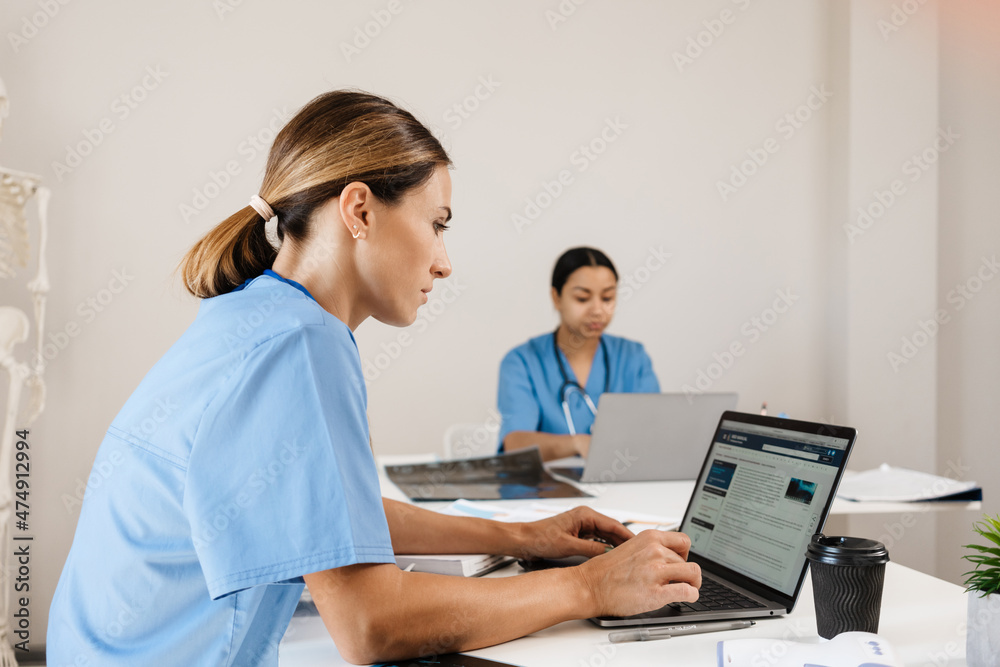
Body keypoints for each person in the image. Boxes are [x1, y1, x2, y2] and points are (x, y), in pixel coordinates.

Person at [46, 91, 699, 666]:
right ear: (358, 209)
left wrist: (522, 536)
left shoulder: (256, 312)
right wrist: (587, 587)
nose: (444, 263)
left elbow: (330, 510)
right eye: (437, 225)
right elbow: (369, 624)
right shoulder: (301, 345)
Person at [497, 247, 660, 460]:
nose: (597, 310)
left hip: (621, 484)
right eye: (583, 299)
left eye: (607, 298)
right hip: (548, 489)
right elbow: (515, 445)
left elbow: (655, 435)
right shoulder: (522, 362)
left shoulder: (633, 357)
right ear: (556, 298)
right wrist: (577, 443)